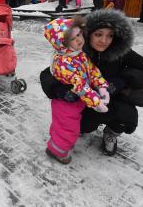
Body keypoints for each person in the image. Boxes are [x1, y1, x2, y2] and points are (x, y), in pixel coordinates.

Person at [40, 9, 143, 156]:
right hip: (86, 102)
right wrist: (59, 90)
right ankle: (78, 130)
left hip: (114, 99)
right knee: (82, 125)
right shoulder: (77, 51)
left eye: (110, 35)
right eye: (98, 34)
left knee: (127, 116)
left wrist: (122, 80)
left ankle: (111, 132)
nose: (104, 41)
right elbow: (48, 74)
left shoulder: (121, 51)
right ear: (88, 33)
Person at [43, 17, 109, 164]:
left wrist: (102, 86)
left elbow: (92, 71)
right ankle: (57, 152)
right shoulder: (63, 63)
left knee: (63, 126)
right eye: (73, 38)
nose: (79, 40)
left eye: (79, 34)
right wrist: (96, 102)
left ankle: (55, 144)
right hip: (65, 102)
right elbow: (80, 85)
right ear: (62, 43)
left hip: (77, 100)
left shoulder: (79, 54)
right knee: (68, 129)